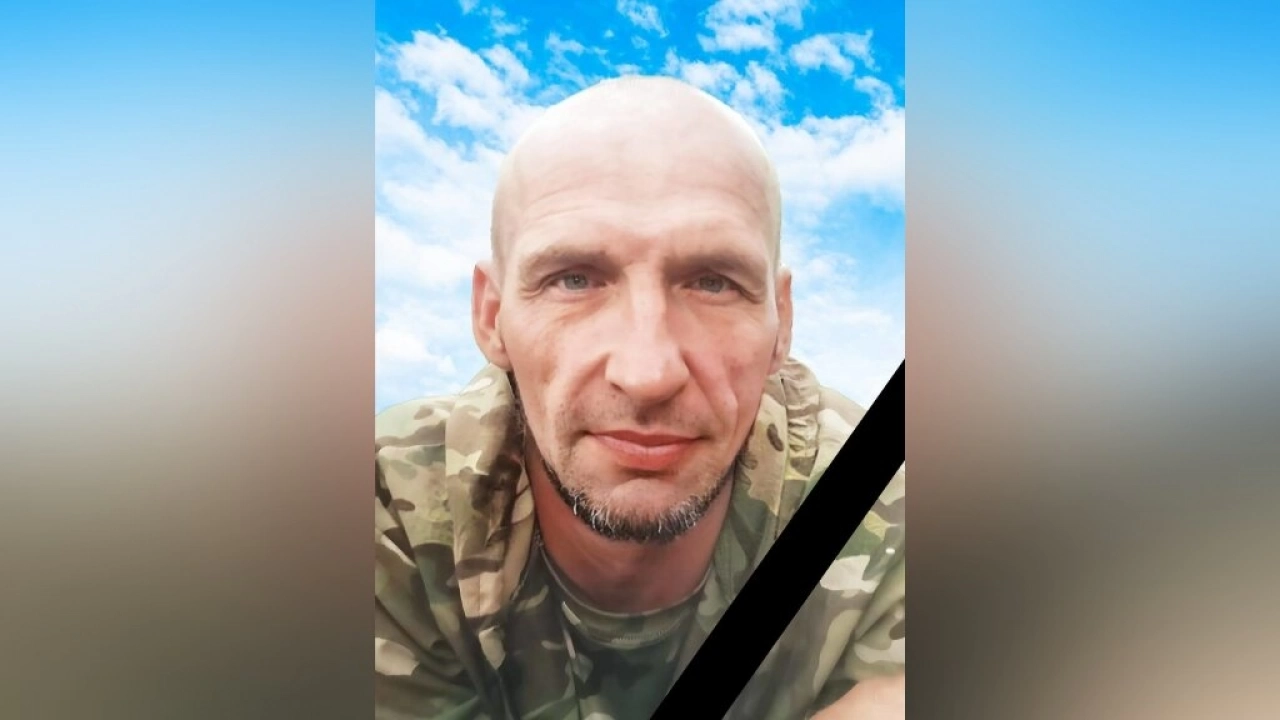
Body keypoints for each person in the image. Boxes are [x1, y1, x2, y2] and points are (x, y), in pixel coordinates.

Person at [374, 75, 905, 720]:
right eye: (574, 280)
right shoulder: (387, 508)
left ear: (781, 325)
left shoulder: (893, 518)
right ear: (492, 318)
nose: (648, 373)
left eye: (713, 283)